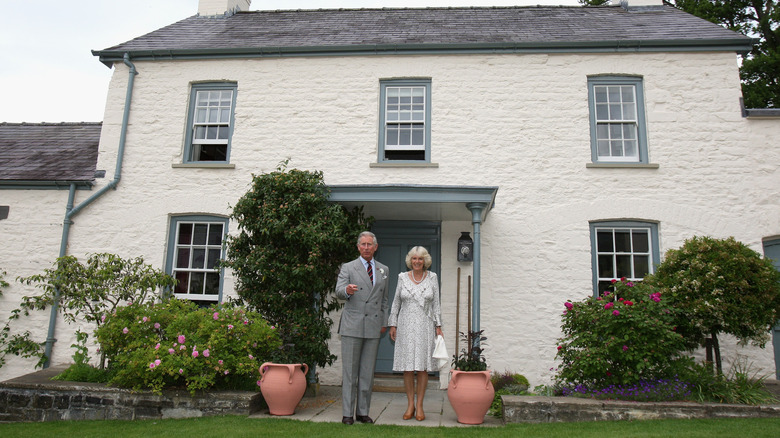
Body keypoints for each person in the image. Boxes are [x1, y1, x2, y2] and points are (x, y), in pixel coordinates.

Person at [335, 231, 389, 425]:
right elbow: (338, 291)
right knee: (350, 372)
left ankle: (363, 412)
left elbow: (384, 300)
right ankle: (348, 414)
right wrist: (347, 291)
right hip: (352, 325)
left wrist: (384, 322)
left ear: (375, 247)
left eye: (370, 244)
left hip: (373, 326)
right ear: (358, 247)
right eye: (363, 244)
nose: (366, 248)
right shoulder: (348, 267)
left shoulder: (384, 270)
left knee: (367, 372)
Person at [387, 246, 443, 422]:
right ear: (410, 261)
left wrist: (439, 326)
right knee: (408, 368)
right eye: (414, 259)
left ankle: (420, 406)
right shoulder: (402, 277)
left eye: (420, 259)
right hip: (405, 325)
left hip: (425, 325)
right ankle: (410, 404)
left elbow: (436, 304)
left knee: (422, 367)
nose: (417, 262)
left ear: (425, 260)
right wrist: (392, 324)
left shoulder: (432, 277)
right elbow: (396, 302)